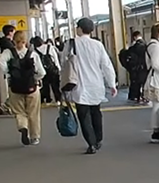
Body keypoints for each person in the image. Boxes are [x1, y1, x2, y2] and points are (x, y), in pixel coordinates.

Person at [61, 18, 116, 154]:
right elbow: (106, 65)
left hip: (79, 85)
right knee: (96, 112)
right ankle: (98, 139)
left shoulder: (71, 43)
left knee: (84, 115)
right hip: (96, 84)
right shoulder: (98, 45)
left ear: (79, 29)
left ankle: (91, 143)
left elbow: (63, 62)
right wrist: (112, 84)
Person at [0, 30, 45, 145]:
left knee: (19, 111)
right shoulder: (32, 54)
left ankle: (23, 127)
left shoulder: (8, 53)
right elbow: (42, 72)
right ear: (26, 41)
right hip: (32, 88)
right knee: (33, 113)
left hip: (15, 87)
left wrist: (9, 73)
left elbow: (0, 62)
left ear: (13, 41)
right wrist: (35, 78)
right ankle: (35, 137)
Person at [120, 31, 150, 104]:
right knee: (144, 83)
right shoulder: (146, 46)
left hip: (135, 69)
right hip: (144, 68)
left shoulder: (132, 48)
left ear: (134, 37)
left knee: (135, 84)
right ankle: (145, 97)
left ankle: (135, 97)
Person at [32, 36, 61, 104]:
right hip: (52, 70)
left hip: (43, 70)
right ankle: (58, 99)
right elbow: (55, 58)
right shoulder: (49, 47)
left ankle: (48, 99)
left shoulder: (35, 50)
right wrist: (58, 68)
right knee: (55, 85)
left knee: (45, 85)